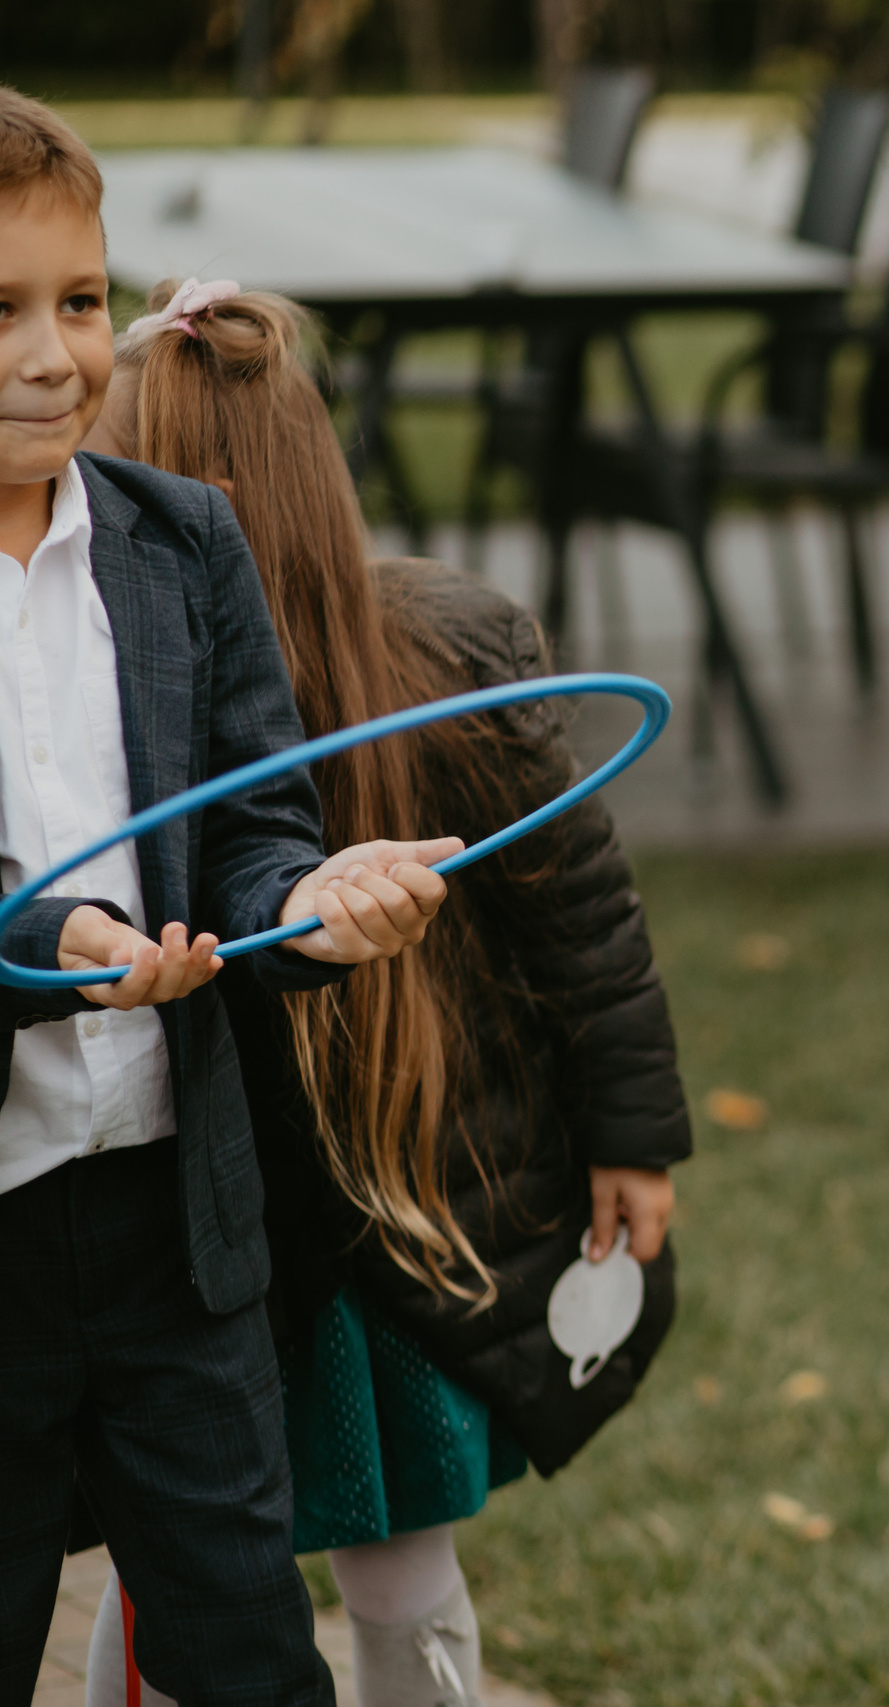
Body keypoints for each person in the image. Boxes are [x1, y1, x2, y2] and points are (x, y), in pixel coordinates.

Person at [76, 278, 692, 1706]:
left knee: (398, 1570)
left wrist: (632, 1136)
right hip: (215, 1239)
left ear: (210, 513)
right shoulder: (99, 688)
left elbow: (585, 928)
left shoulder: (449, 659)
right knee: (175, 1571)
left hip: (395, 1241)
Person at [0, 88, 460, 1706]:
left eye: (80, 300)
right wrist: (41, 943)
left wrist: (313, 904)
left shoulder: (185, 541)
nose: (53, 355)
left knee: (253, 1662)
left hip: (172, 1235)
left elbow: (256, 825)